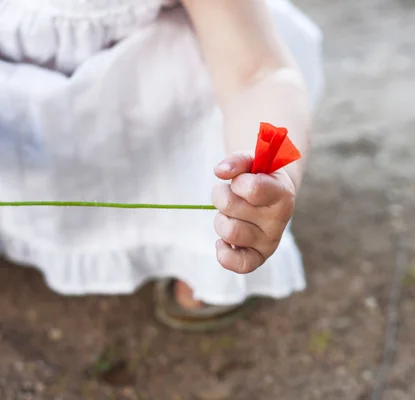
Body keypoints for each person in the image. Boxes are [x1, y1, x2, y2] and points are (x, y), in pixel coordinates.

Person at [0, 0, 324, 331]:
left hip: (155, 106)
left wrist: (269, 173)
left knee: (211, 81)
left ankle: (199, 254)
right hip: (23, 120)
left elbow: (257, 73)